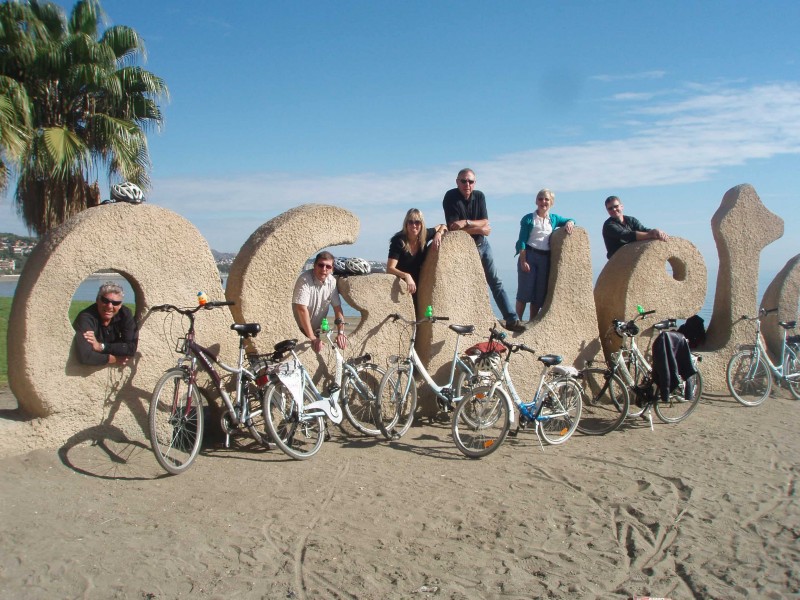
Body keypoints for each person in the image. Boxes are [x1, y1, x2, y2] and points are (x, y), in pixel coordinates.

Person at [444, 168, 525, 333]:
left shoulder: (479, 196)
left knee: (496, 282)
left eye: (471, 181)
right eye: (464, 181)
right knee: (464, 286)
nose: (467, 184)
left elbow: (486, 222)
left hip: (483, 246)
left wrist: (466, 222)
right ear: (457, 182)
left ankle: (511, 319)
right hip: (463, 250)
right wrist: (479, 228)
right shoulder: (450, 197)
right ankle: (466, 322)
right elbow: (454, 229)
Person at [515, 189, 575, 321]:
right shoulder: (529, 219)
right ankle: (516, 321)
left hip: (544, 258)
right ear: (536, 201)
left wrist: (570, 223)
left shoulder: (553, 219)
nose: (543, 202)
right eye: (541, 199)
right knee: (524, 292)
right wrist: (523, 261)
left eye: (546, 199)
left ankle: (532, 321)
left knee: (539, 293)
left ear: (551, 202)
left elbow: (571, 219)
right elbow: (522, 241)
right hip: (529, 255)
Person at [386, 208, 447, 310]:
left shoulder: (424, 235)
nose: (414, 225)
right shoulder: (398, 241)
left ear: (421, 224)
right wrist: (406, 276)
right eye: (410, 222)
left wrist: (438, 234)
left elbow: (443, 225)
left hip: (418, 285)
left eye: (417, 222)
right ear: (406, 224)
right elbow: (390, 268)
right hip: (399, 286)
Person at [293, 251, 347, 353]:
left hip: (316, 330)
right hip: (298, 329)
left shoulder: (332, 281)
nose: (324, 269)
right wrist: (312, 337)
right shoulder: (304, 280)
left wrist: (341, 332)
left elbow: (337, 308)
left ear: (332, 269)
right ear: (314, 265)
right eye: (321, 265)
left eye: (328, 267)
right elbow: (301, 309)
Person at [73, 282, 138, 366]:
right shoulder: (86, 318)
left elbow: (131, 348)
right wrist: (114, 359)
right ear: (97, 300)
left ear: (120, 305)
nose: (110, 306)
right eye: (105, 301)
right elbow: (85, 356)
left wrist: (100, 346)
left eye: (116, 303)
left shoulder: (125, 314)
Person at [602, 195, 669, 259]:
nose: (614, 209)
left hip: (634, 255)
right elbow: (627, 235)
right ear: (607, 210)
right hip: (618, 260)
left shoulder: (631, 220)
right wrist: (650, 235)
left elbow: (643, 230)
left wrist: (656, 232)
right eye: (610, 208)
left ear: (621, 206)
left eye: (616, 206)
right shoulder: (609, 225)